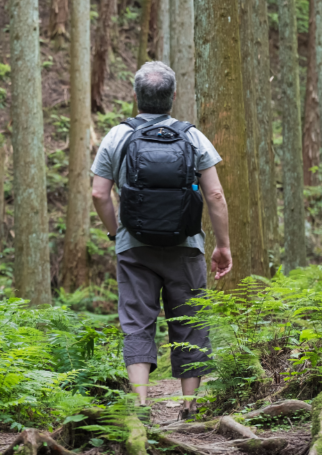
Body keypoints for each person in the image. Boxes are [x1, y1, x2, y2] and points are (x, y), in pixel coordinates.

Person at [91, 61, 232, 420]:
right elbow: (215, 196)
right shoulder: (192, 136)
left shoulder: (117, 136)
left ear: (136, 96)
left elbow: (99, 193)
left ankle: (140, 406)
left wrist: (115, 231)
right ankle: (189, 406)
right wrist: (222, 245)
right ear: (173, 96)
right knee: (190, 322)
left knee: (137, 322)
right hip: (185, 247)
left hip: (134, 246)